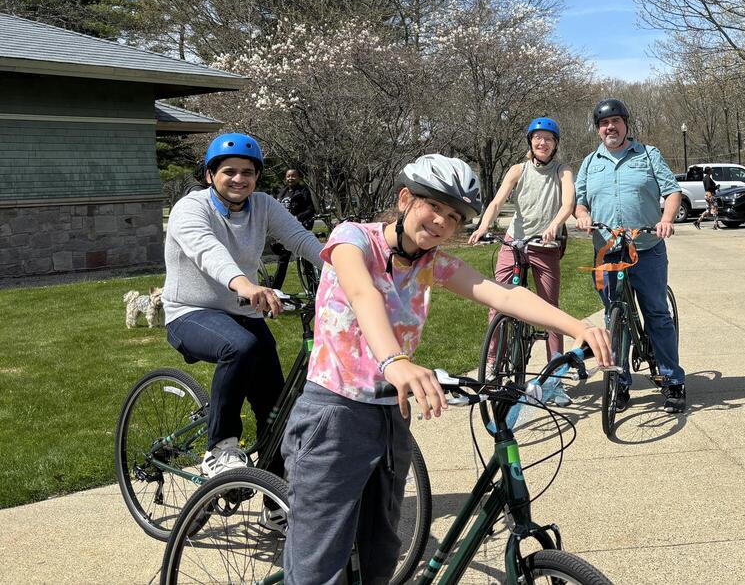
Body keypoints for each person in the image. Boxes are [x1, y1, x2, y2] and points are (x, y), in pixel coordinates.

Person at [281, 154, 611, 585]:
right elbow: (363, 295)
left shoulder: (431, 262)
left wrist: (575, 325)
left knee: (380, 556)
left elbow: (501, 293)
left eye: (454, 216)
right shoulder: (352, 240)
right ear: (404, 199)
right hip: (335, 413)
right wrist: (395, 360)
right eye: (433, 206)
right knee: (318, 567)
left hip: (390, 414)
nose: (441, 221)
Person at [162, 133, 324, 476]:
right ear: (210, 175)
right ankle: (220, 447)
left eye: (247, 172)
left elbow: (300, 239)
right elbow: (209, 251)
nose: (239, 179)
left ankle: (275, 504)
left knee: (275, 407)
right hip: (189, 312)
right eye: (229, 171)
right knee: (240, 347)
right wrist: (247, 285)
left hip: (241, 313)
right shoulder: (191, 209)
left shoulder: (263, 205)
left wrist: (345, 268)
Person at [575, 97, 687, 413]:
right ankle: (619, 385)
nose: (610, 127)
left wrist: (666, 219)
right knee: (614, 320)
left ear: (626, 124)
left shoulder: (649, 155)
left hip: (647, 248)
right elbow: (579, 201)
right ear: (598, 130)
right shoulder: (590, 162)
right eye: (603, 124)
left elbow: (672, 190)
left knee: (656, 313)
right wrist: (581, 214)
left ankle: (673, 380)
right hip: (607, 252)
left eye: (615, 121)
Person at [470, 117, 576, 403]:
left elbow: (568, 203)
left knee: (550, 311)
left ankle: (555, 379)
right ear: (530, 141)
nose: (543, 143)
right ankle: (494, 363)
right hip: (513, 242)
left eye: (549, 139)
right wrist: (483, 227)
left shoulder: (562, 170)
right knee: (498, 303)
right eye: (538, 138)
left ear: (555, 145)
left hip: (545, 245)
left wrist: (555, 223)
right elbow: (496, 201)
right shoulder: (518, 169)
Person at [270, 168, 318, 289]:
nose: (290, 178)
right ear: (285, 178)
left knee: (307, 261)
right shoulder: (282, 193)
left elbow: (310, 210)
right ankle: (275, 291)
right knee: (282, 261)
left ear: (299, 178)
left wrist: (297, 218)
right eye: (288, 176)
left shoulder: (303, 192)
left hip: (299, 229)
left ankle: (313, 291)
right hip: (284, 231)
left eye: (293, 176)